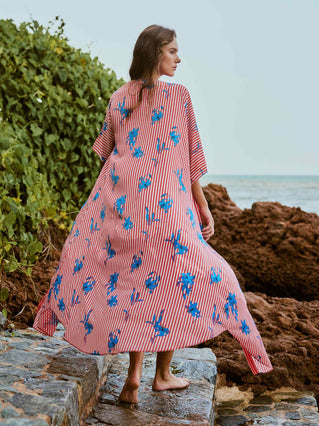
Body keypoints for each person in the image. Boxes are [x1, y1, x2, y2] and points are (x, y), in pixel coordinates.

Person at [33, 24, 273, 404]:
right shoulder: (179, 96)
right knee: (178, 283)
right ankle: (161, 376)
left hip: (123, 212)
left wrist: (102, 211)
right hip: (167, 213)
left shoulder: (117, 98)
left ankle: (133, 379)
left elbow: (107, 153)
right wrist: (203, 204)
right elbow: (190, 159)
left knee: (134, 288)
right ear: (156, 52)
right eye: (173, 51)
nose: (178, 59)